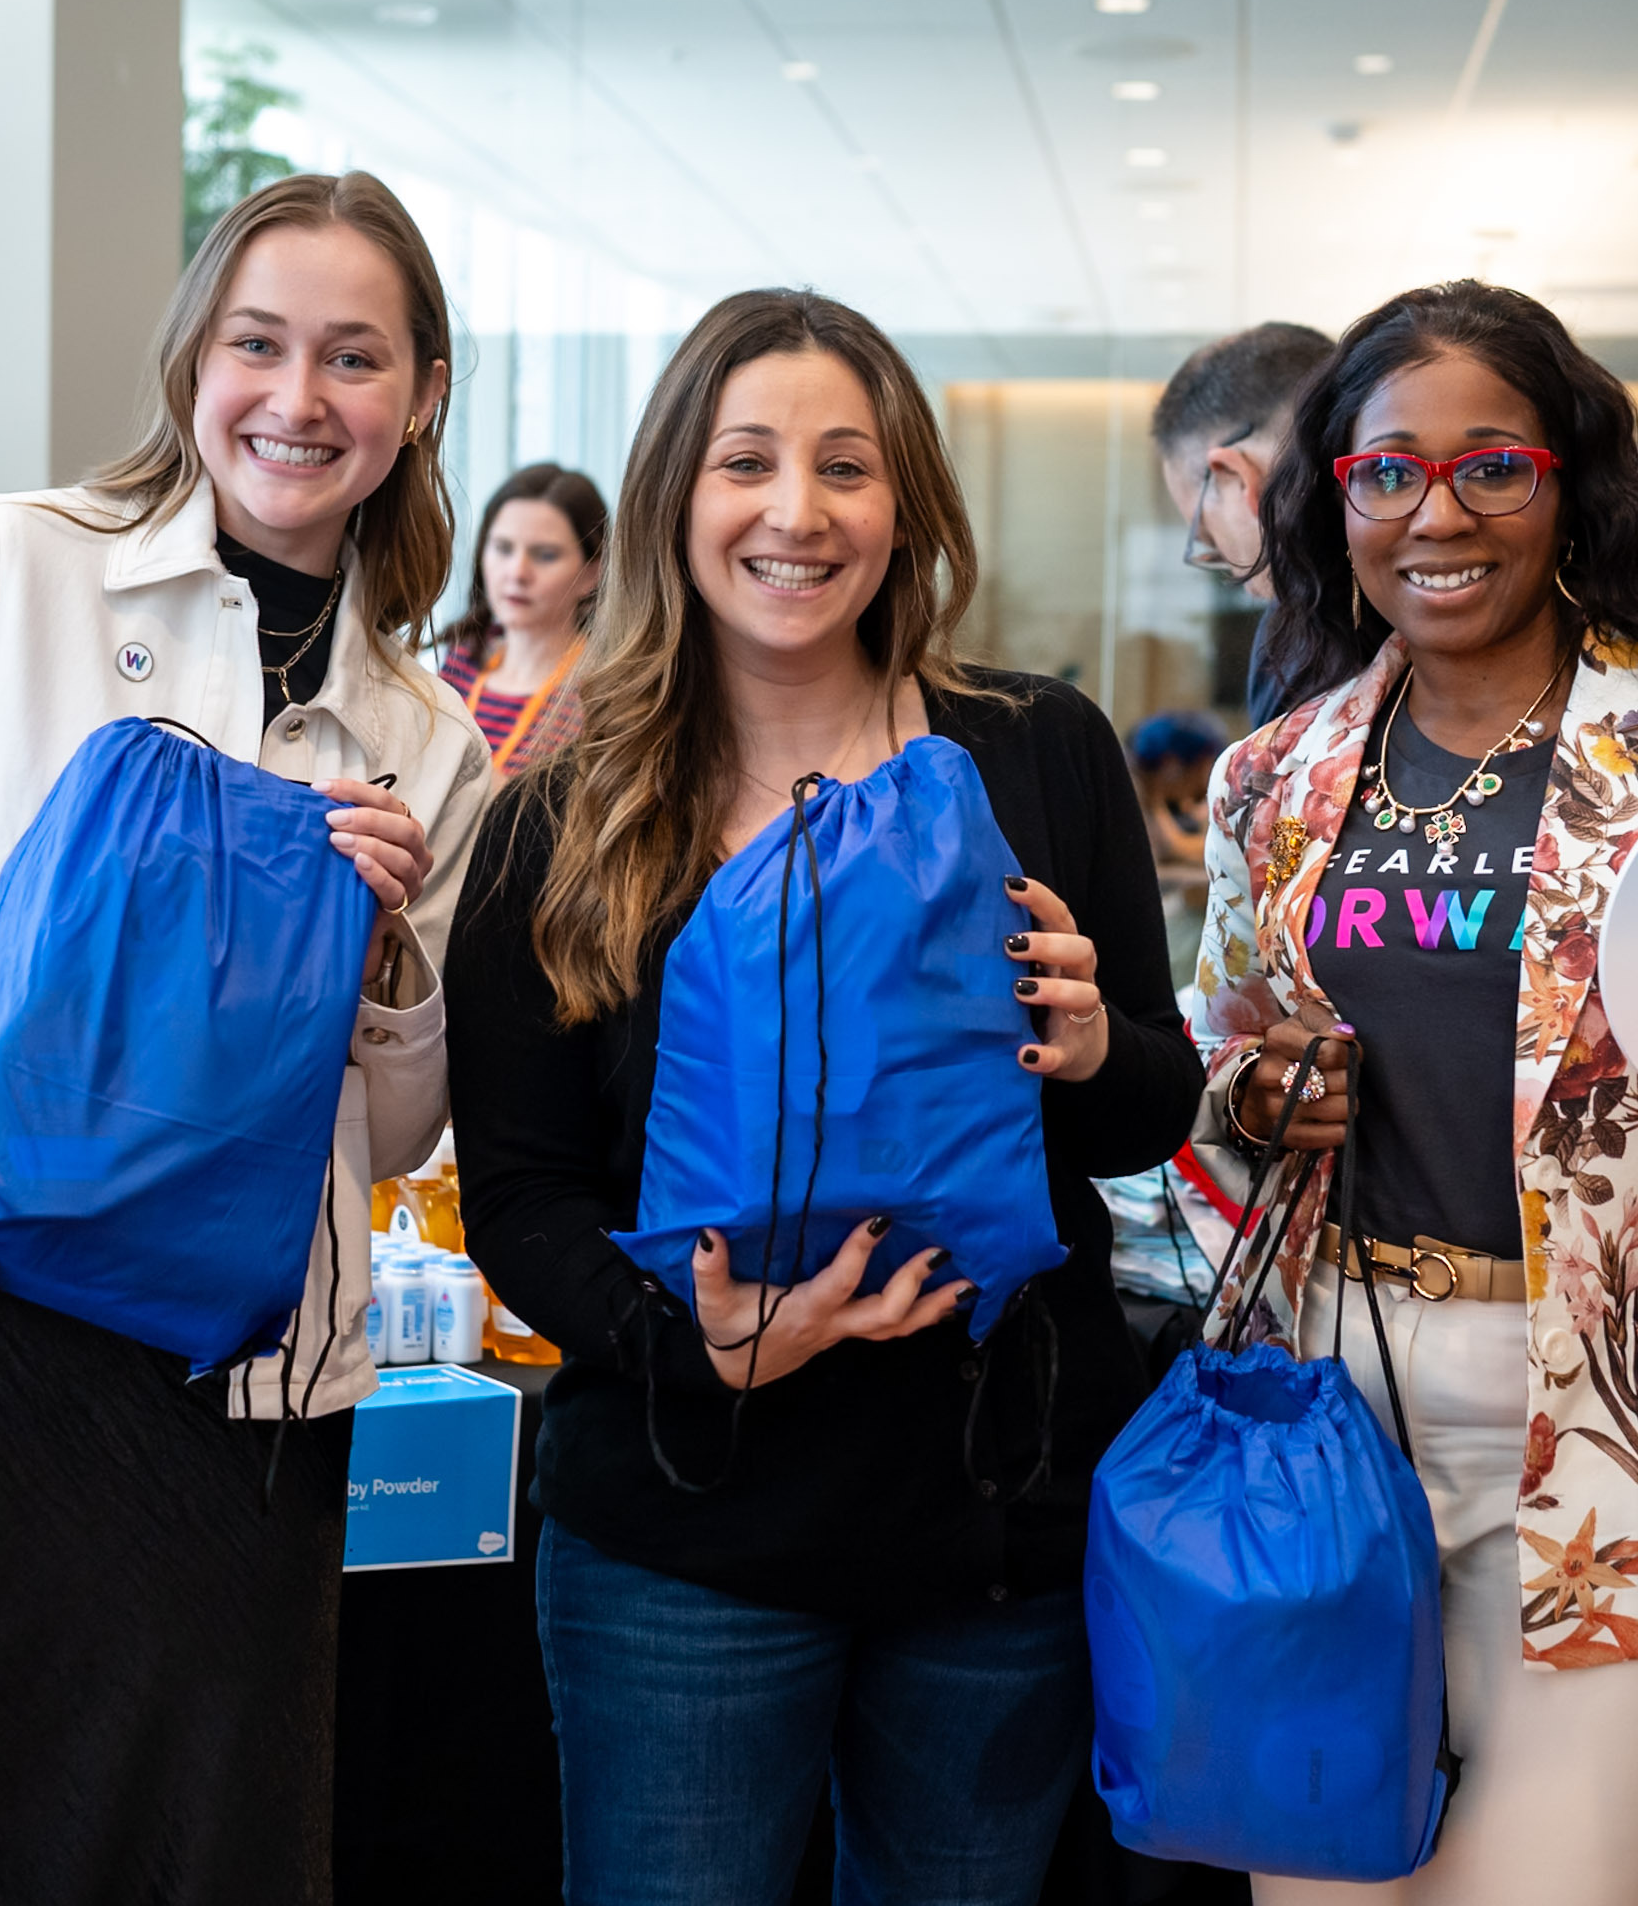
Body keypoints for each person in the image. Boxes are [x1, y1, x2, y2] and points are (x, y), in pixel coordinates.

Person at [0, 172, 494, 1906]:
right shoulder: (1, 569)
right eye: (259, 343)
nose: (298, 399)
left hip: (237, 1414)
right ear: (190, 353)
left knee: (190, 1857)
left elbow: (408, 1134)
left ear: (422, 394)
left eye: (356, 358)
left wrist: (387, 960)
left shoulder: (427, 733)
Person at [445, 288, 1203, 1906]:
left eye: (846, 467)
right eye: (748, 463)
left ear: (906, 505)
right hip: (681, 1530)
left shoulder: (1037, 752)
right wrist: (697, 1343)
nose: (798, 512)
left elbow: (1154, 1103)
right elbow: (520, 1194)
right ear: (673, 499)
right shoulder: (557, 824)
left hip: (995, 1525)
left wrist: (1089, 1050)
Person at [1189, 280, 1638, 1906]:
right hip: (1326, 1409)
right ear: (1336, 497)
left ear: (1572, 477)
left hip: (1635, 1413)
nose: (1439, 511)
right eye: (1388, 472)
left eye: (1491, 465)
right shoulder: (1275, 777)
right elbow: (1224, 1059)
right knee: (1322, 1890)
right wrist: (1253, 1100)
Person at [1153, 321, 1335, 727]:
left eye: (1208, 537)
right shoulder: (1436, 584)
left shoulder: (1291, 640)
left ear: (1235, 477)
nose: (1237, 574)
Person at [439, 461, 606, 774]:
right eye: (503, 548)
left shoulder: (602, 693)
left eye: (545, 555)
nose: (517, 572)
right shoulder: (459, 663)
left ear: (591, 574)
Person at [1128, 708, 1225, 965]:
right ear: (1172, 764)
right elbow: (1148, 868)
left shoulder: (1151, 795)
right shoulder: (1130, 791)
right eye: (1204, 766)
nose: (1205, 779)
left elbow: (1174, 850)